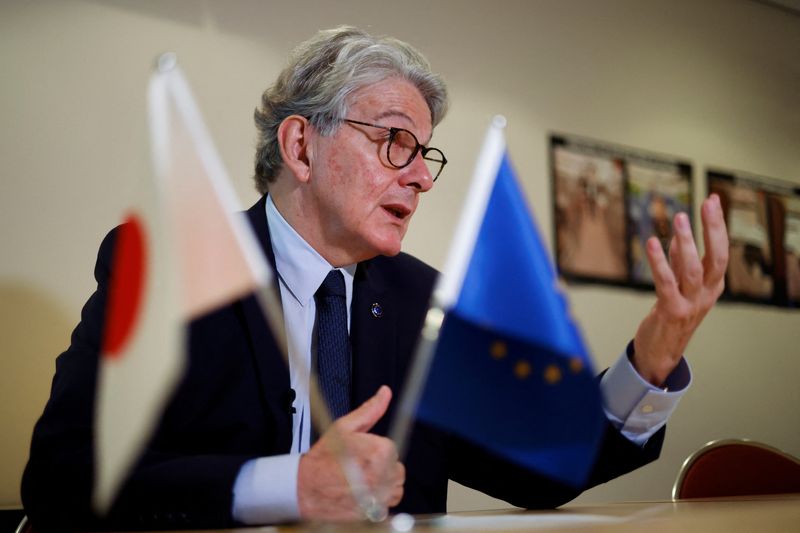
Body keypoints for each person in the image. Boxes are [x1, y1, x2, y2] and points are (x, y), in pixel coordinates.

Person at [21, 26, 729, 531]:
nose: (420, 176)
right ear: (301, 145)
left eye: (425, 154)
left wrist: (656, 355)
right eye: (395, 142)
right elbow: (61, 480)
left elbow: (547, 467)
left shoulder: (423, 300)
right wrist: (285, 485)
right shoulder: (171, 268)